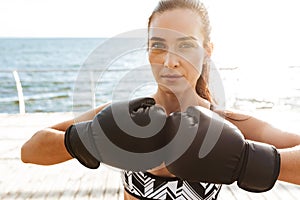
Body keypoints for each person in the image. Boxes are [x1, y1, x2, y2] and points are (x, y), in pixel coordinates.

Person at [21, 0, 300, 199]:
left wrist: (248, 161)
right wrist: (89, 139)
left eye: (186, 45)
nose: (170, 61)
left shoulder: (228, 124)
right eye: (158, 46)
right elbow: (29, 150)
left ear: (207, 51)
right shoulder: (120, 119)